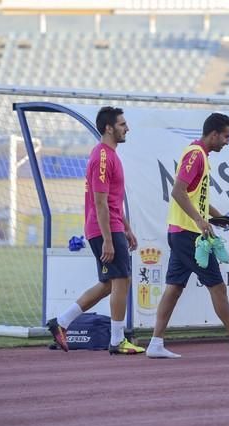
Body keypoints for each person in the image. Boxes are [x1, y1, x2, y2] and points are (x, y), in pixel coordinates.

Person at [145, 113, 229, 359]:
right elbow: (178, 192)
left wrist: (221, 218)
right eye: (226, 136)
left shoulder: (200, 155)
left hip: (181, 233)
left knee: (174, 288)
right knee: (218, 287)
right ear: (214, 134)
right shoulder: (195, 155)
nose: (227, 142)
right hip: (189, 235)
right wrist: (200, 221)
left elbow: (195, 197)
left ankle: (155, 343)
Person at [46, 106, 144, 355]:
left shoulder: (110, 155)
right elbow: (100, 203)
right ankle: (117, 340)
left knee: (108, 283)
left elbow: (113, 200)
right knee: (122, 280)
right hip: (104, 230)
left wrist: (127, 229)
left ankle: (62, 322)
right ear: (109, 128)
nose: (127, 128)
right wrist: (110, 240)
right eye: (122, 124)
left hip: (110, 227)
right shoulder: (102, 157)